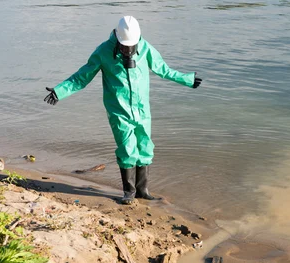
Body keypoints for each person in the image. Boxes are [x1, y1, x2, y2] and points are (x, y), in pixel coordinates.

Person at [44, 16, 202, 204]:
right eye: (125, 46)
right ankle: (129, 192)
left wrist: (188, 79)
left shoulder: (145, 48)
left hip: (142, 109)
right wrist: (59, 91)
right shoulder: (103, 51)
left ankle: (143, 190)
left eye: (131, 46)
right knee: (127, 148)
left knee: (145, 146)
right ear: (117, 39)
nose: (128, 50)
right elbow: (82, 77)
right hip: (118, 110)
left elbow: (163, 69)